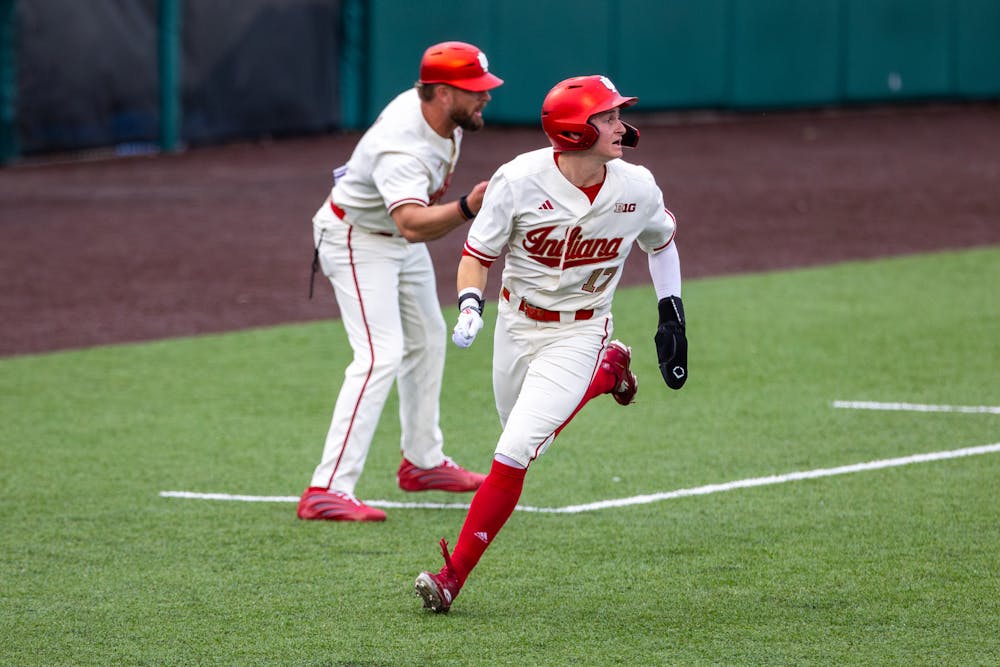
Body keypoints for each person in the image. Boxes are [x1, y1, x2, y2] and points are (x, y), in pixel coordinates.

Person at [413, 74, 688, 610]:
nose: (619, 124)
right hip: (516, 326)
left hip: (582, 329)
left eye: (615, 114)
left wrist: (670, 311)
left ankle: (450, 578)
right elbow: (477, 256)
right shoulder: (516, 180)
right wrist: (471, 303)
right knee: (516, 429)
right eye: (605, 116)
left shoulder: (637, 186)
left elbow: (663, 243)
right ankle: (608, 373)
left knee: (513, 453)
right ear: (573, 131)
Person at [297, 42, 505, 522]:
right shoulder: (402, 143)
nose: (486, 98)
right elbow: (413, 222)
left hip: (393, 237)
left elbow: (409, 228)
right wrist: (469, 208)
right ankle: (326, 488)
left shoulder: (446, 119)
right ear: (441, 91)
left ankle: (423, 461)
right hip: (357, 238)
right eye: (475, 90)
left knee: (429, 337)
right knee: (379, 354)